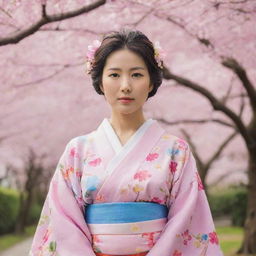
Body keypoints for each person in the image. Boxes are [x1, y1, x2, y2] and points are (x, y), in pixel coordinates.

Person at [29, 28, 223, 256]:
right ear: (100, 82)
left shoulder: (175, 151)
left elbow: (187, 220)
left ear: (151, 82)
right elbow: (64, 221)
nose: (125, 86)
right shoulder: (78, 150)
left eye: (137, 74)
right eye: (114, 75)